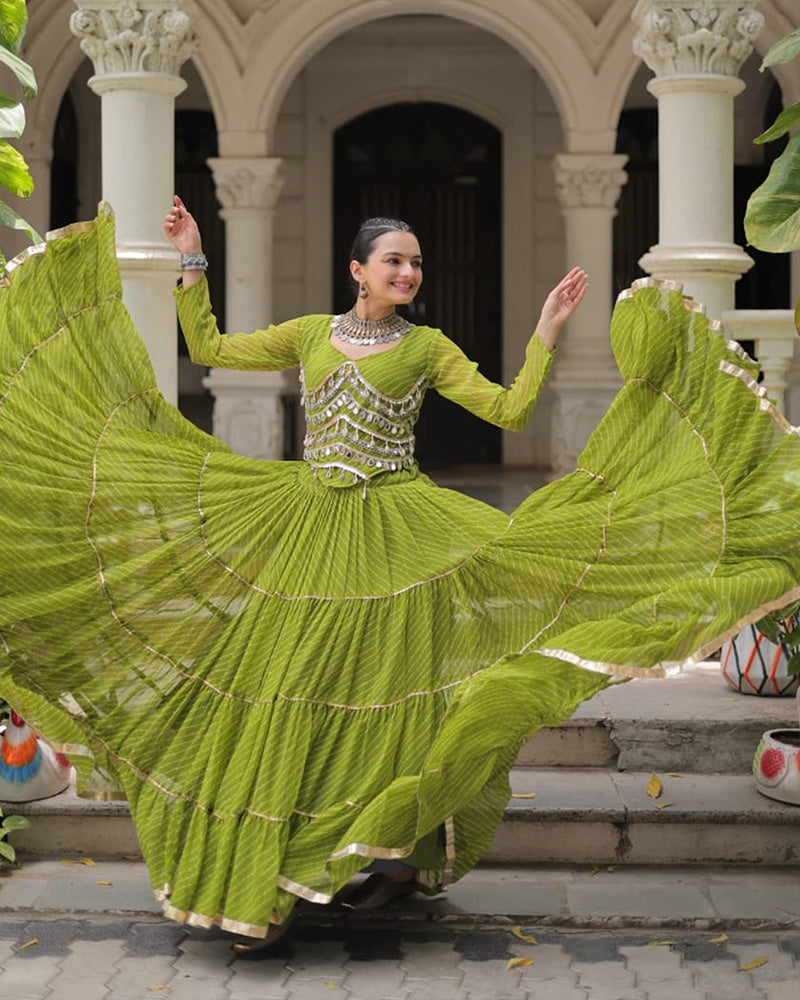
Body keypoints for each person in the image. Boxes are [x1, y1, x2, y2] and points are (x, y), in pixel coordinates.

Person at [0, 199, 798, 956]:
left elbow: (511, 410)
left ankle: (386, 860)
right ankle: (264, 889)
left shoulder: (427, 347)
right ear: (357, 269)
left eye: (415, 263)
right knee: (283, 696)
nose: (407, 273)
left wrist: (547, 331)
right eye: (393, 260)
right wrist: (192, 258)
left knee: (394, 698)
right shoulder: (311, 333)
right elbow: (209, 348)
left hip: (401, 538)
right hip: (306, 528)